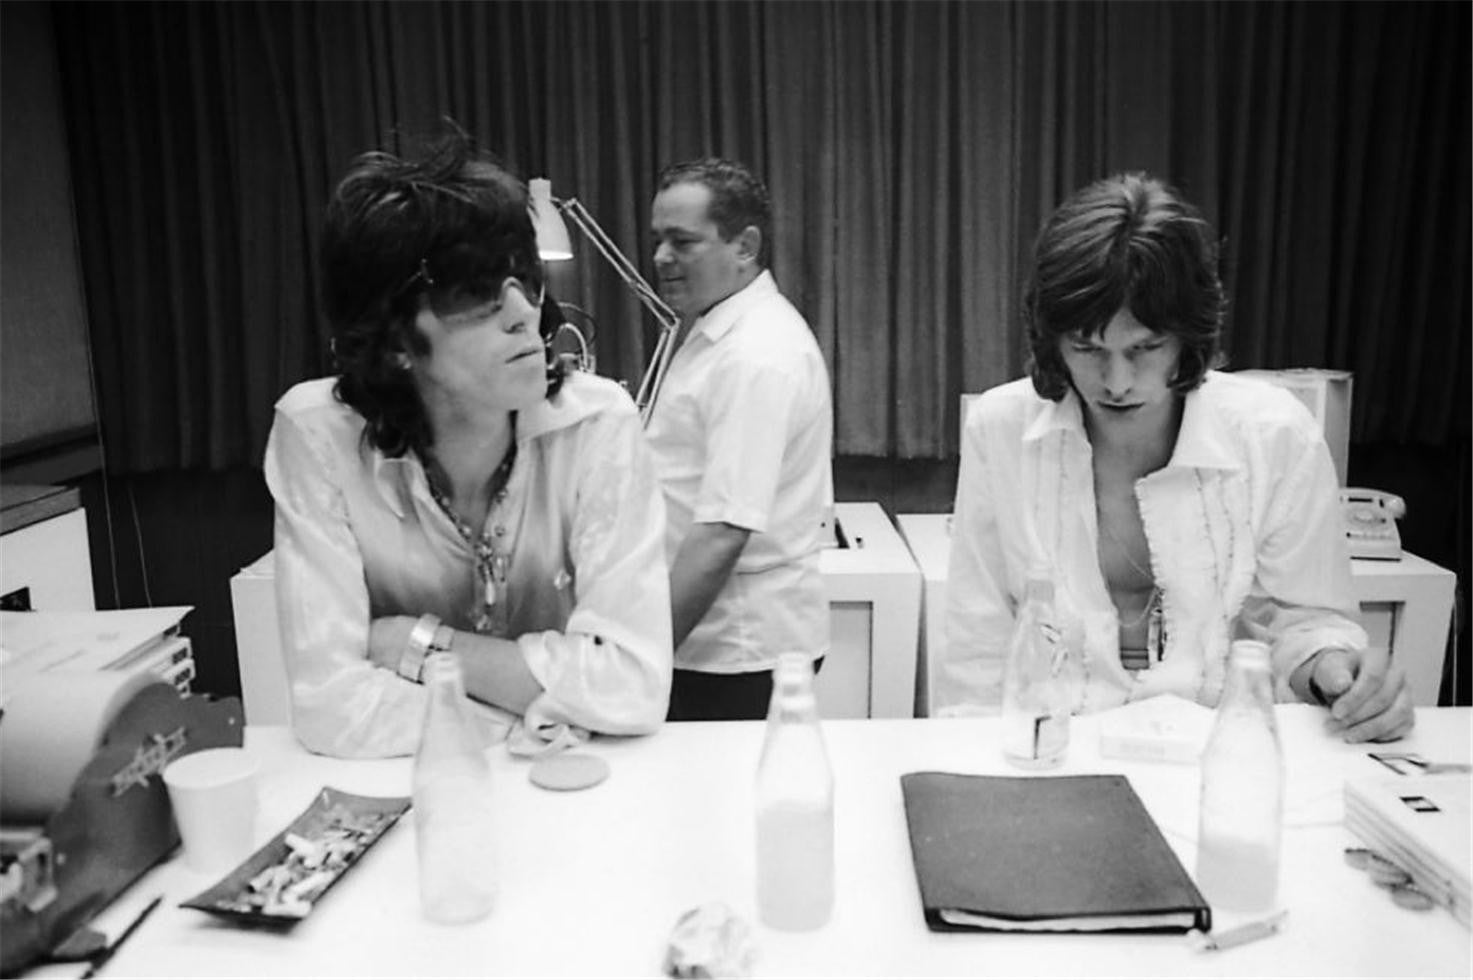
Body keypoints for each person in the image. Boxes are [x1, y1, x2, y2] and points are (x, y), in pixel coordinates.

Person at [941, 172, 1413, 743]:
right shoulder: (1001, 428)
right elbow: (977, 648)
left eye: (1144, 349)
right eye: (1087, 349)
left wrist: (1337, 673)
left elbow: (1306, 623)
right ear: (1052, 340)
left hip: (1216, 756)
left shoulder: (1275, 435)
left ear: (1189, 337)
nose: (1116, 381)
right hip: (1053, 757)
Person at [263, 128, 672, 758]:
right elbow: (332, 708)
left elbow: (634, 685)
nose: (522, 313)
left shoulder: (597, 424)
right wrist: (536, 718)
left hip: (567, 801)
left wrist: (419, 647)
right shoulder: (318, 436)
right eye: (472, 292)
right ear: (395, 339)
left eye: (525, 278)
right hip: (419, 808)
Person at [645, 158, 834, 721]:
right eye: (658, 240)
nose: (660, 258)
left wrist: (640, 658)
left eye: (682, 241)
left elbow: (724, 531)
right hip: (714, 644)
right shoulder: (720, 332)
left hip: (731, 653)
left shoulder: (755, 355)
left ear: (745, 246)